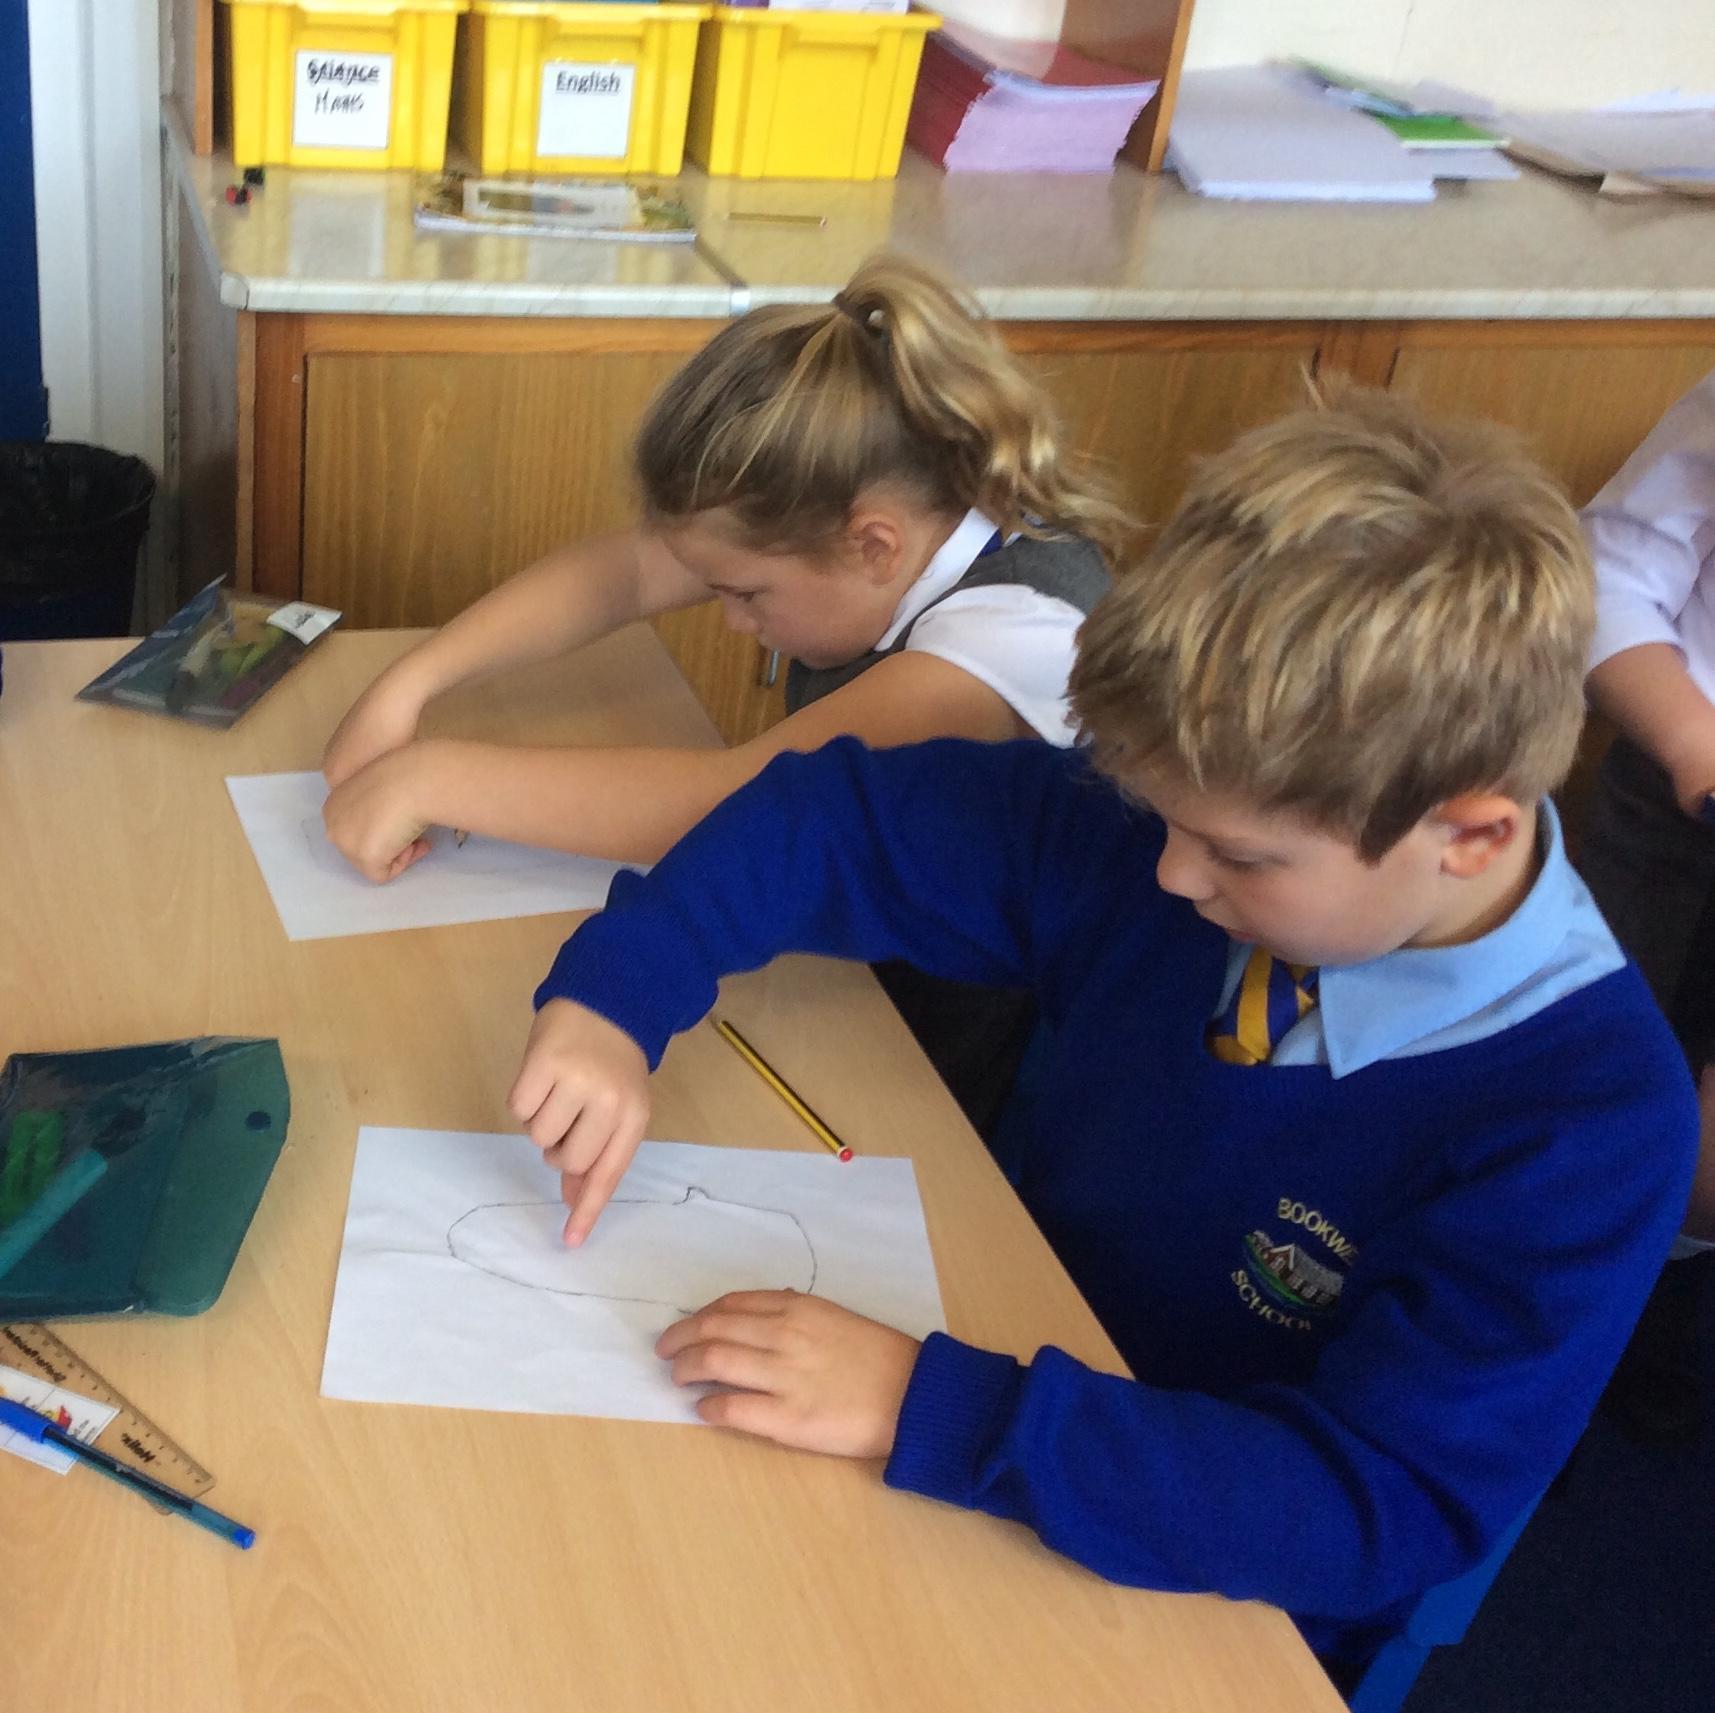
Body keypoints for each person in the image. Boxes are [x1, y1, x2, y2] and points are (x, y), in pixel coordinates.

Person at [503, 389, 1696, 1674]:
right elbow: (833, 820)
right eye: (1161, 821)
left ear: (1468, 832)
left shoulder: (1588, 1123)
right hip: (999, 1372)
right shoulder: (1193, 820)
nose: (1172, 876)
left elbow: (1365, 1505)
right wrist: (620, 991)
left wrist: (932, 1406)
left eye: (1237, 855)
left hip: (1208, 1597)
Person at [321, 252, 1128, 1134]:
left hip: (944, 1061)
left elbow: (735, 805)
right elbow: (631, 571)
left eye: (746, 594)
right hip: (843, 968)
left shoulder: (1006, 643)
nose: (734, 622)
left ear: (873, 546)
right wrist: (411, 683)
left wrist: (431, 776)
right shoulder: (893, 510)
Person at [1576, 368, 1715, 1442]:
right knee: (1597, 1088)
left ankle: (1650, 1314)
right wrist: (1690, 743)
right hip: (1681, 800)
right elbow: (1607, 576)